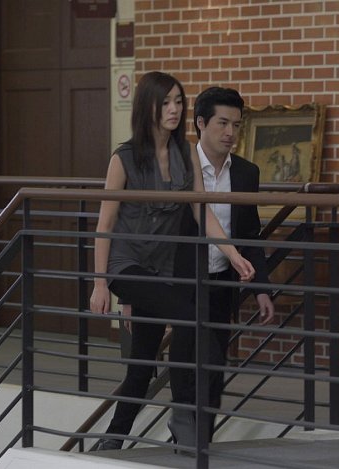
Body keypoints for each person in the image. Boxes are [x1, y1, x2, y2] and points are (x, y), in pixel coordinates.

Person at [88, 72, 255, 451]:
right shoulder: (124, 158)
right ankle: (183, 413)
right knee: (191, 317)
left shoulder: (186, 154)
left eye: (179, 101)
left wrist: (232, 253)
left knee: (141, 366)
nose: (174, 109)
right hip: (126, 265)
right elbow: (105, 223)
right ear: (147, 106)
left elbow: (201, 210)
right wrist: (99, 283)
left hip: (163, 270)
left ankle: (112, 440)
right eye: (165, 102)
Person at [167, 86, 276, 446]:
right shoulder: (178, 167)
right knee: (191, 359)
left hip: (222, 283)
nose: (231, 132)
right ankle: (187, 431)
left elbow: (250, 234)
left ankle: (200, 440)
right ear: (201, 123)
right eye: (223, 123)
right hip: (182, 282)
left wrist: (261, 288)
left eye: (237, 125)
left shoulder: (246, 173)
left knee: (215, 367)